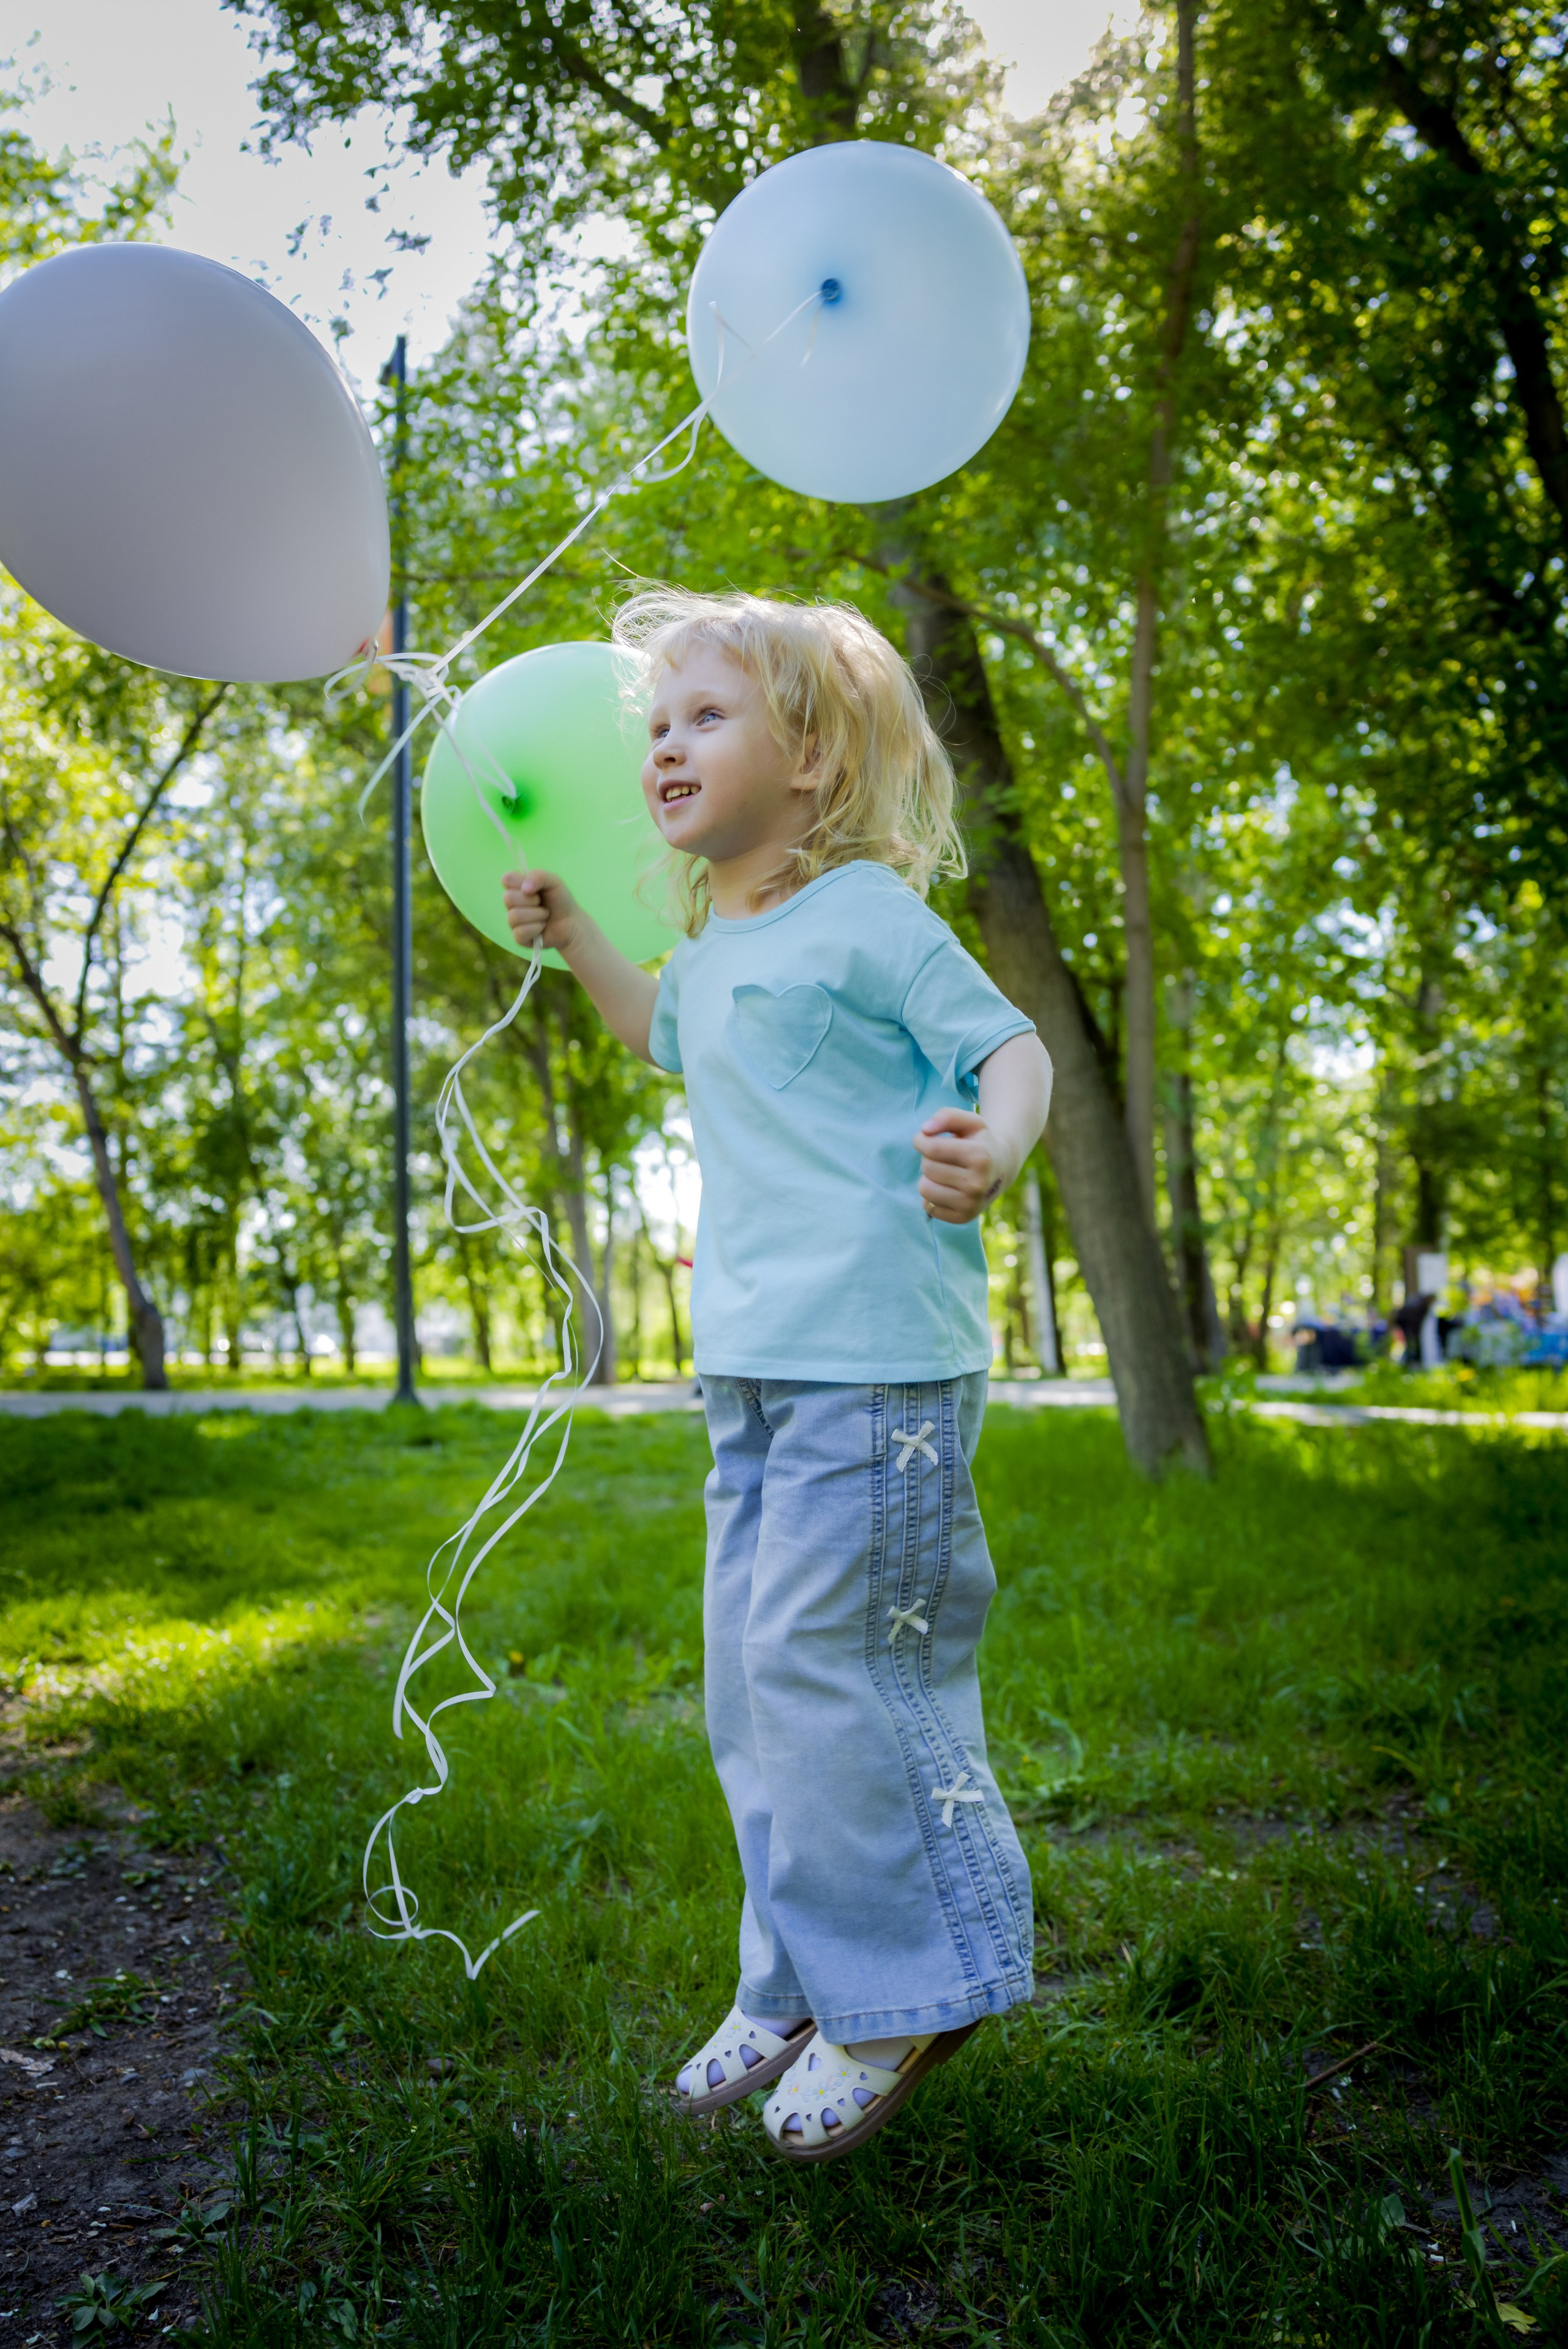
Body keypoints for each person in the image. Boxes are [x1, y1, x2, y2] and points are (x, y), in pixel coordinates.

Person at [502, 589, 1052, 2166]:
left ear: (808, 760)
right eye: (657, 725)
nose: (665, 744)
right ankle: (794, 1980)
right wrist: (579, 933)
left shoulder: (870, 916)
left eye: (706, 717)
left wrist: (992, 1144)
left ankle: (906, 1988)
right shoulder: (715, 945)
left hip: (875, 1372)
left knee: (837, 1680)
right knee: (754, 1693)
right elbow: (655, 1031)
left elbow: (1006, 1046)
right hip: (748, 1378)